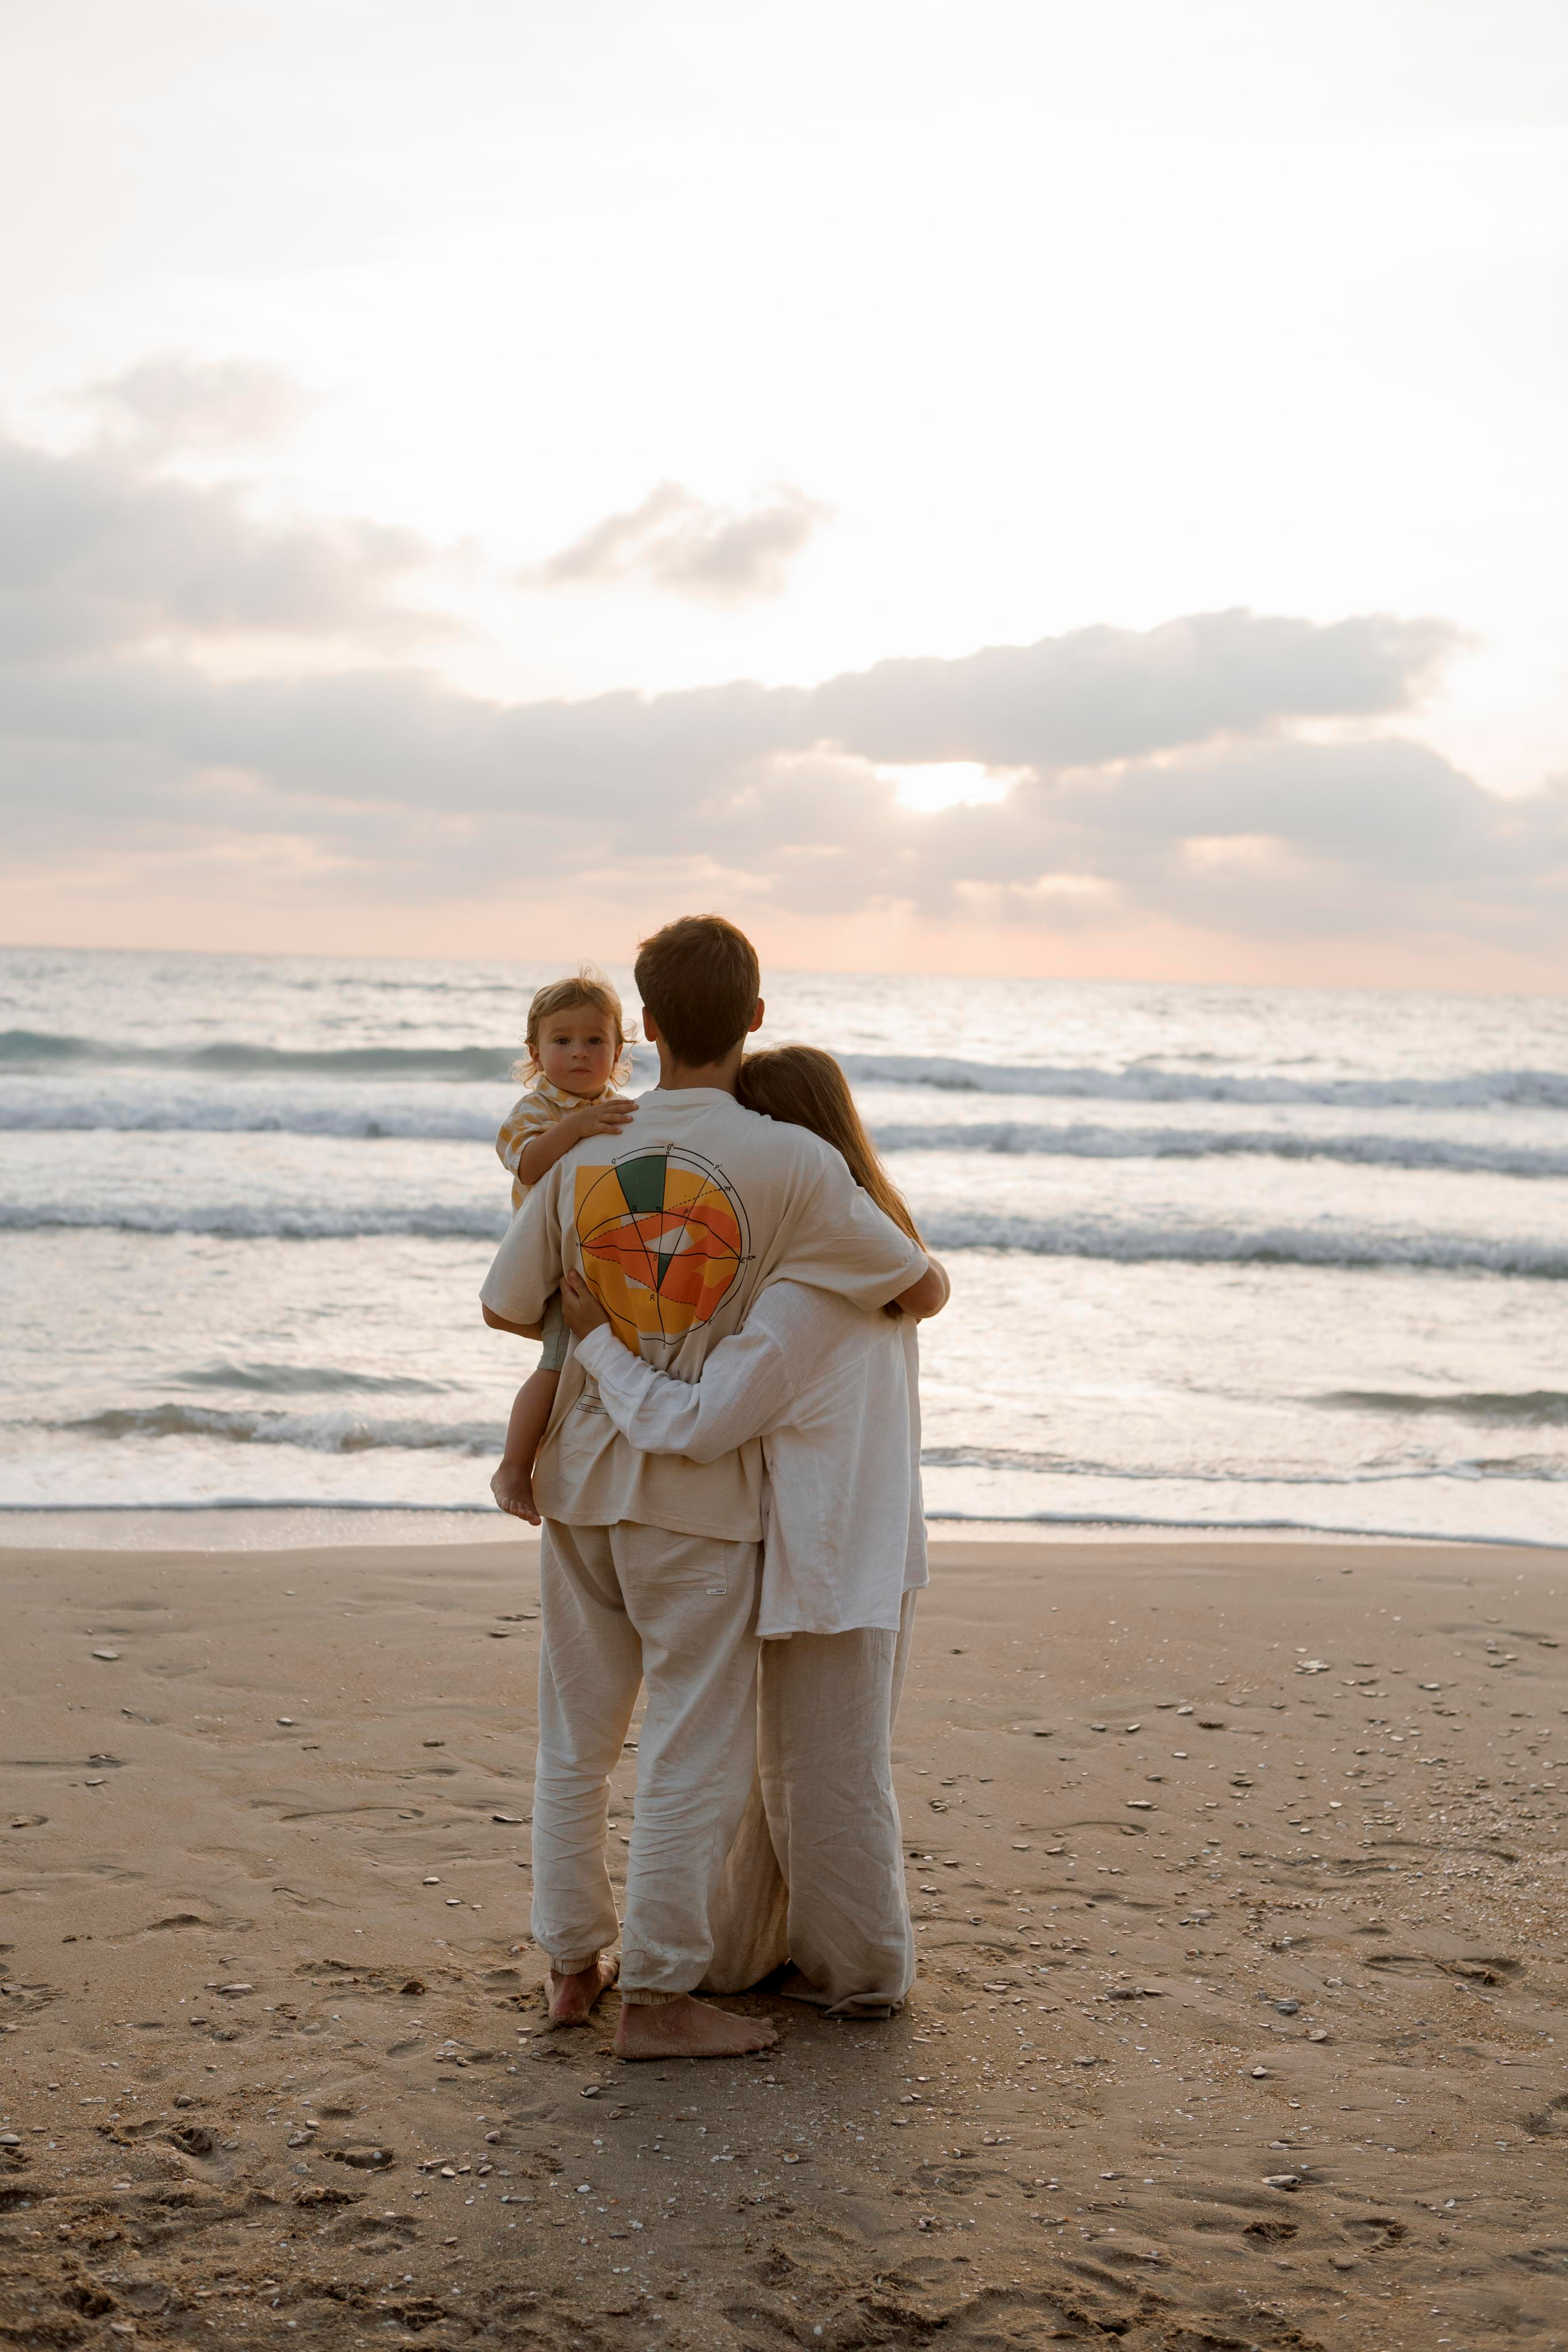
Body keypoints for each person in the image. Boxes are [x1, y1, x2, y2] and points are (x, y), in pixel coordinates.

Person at [480, 915, 946, 2061]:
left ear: (641, 1025)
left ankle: (569, 1965)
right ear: (753, 1017)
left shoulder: (584, 1152)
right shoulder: (795, 1161)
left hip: (576, 1480)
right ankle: (663, 1999)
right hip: (695, 1497)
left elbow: (504, 1304)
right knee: (692, 1746)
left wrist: (605, 1313)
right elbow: (917, 1287)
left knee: (573, 1739)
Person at [558, 1044, 940, 2019]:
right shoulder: (868, 1255)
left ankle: (863, 1972)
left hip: (825, 1553)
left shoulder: (810, 1292)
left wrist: (599, 1342)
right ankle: (750, 1954)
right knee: (792, 1776)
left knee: (823, 1780)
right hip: (840, 1543)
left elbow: (697, 1423)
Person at [490, 970, 635, 1525]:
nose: (580, 1053)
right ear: (535, 1052)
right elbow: (527, 1162)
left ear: (618, 1050)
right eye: (563, 1041)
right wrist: (579, 1128)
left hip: (603, 1254)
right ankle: (513, 1465)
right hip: (554, 1265)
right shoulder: (535, 1112)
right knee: (555, 1365)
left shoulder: (617, 1108)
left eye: (595, 1040)